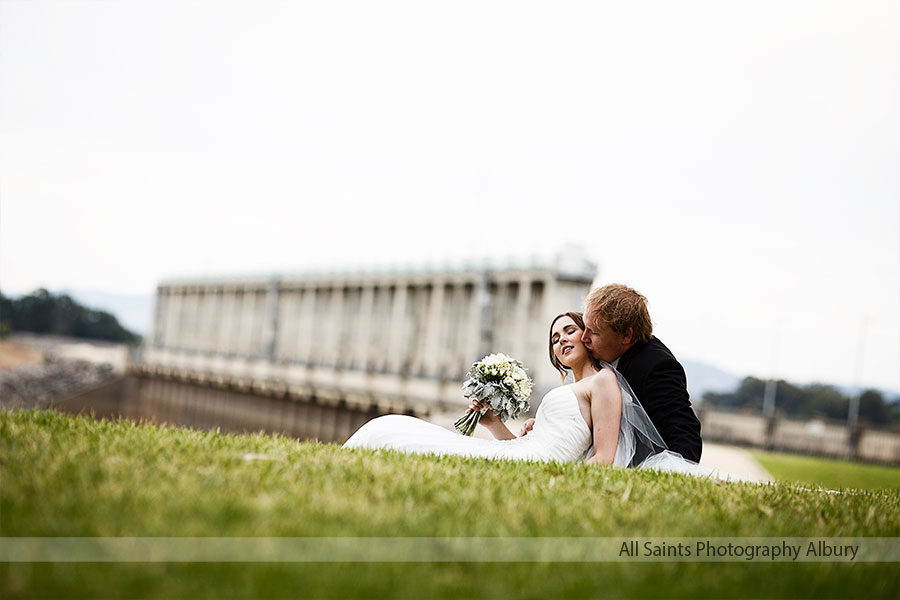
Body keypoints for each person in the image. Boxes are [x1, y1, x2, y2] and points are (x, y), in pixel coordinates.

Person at [342, 312, 669, 467]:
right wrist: (493, 424)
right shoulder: (572, 386)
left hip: (534, 464)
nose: (561, 340)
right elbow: (528, 447)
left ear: (587, 336)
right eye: (555, 339)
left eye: (569, 330)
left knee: (392, 432)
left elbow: (605, 457)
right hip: (523, 456)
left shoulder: (603, 382)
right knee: (391, 426)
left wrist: (562, 480)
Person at [580, 283, 703, 462]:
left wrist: (674, 471)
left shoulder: (657, 367)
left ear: (627, 336)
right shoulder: (594, 352)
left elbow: (684, 433)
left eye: (595, 333)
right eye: (585, 327)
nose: (584, 338)